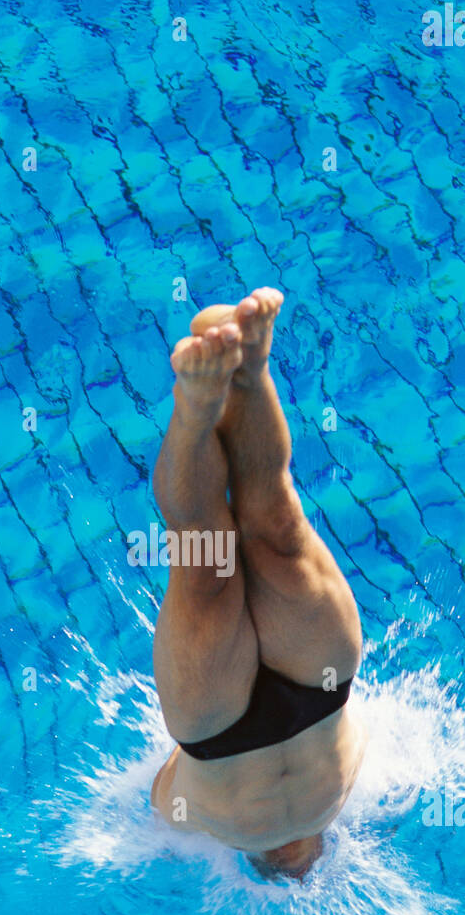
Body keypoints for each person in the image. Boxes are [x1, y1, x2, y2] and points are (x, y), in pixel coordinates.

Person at [149, 288, 366, 879]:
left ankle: (211, 395)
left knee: (226, 551)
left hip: (263, 712)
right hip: (276, 710)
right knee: (250, 536)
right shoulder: (203, 825)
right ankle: (235, 374)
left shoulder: (187, 822)